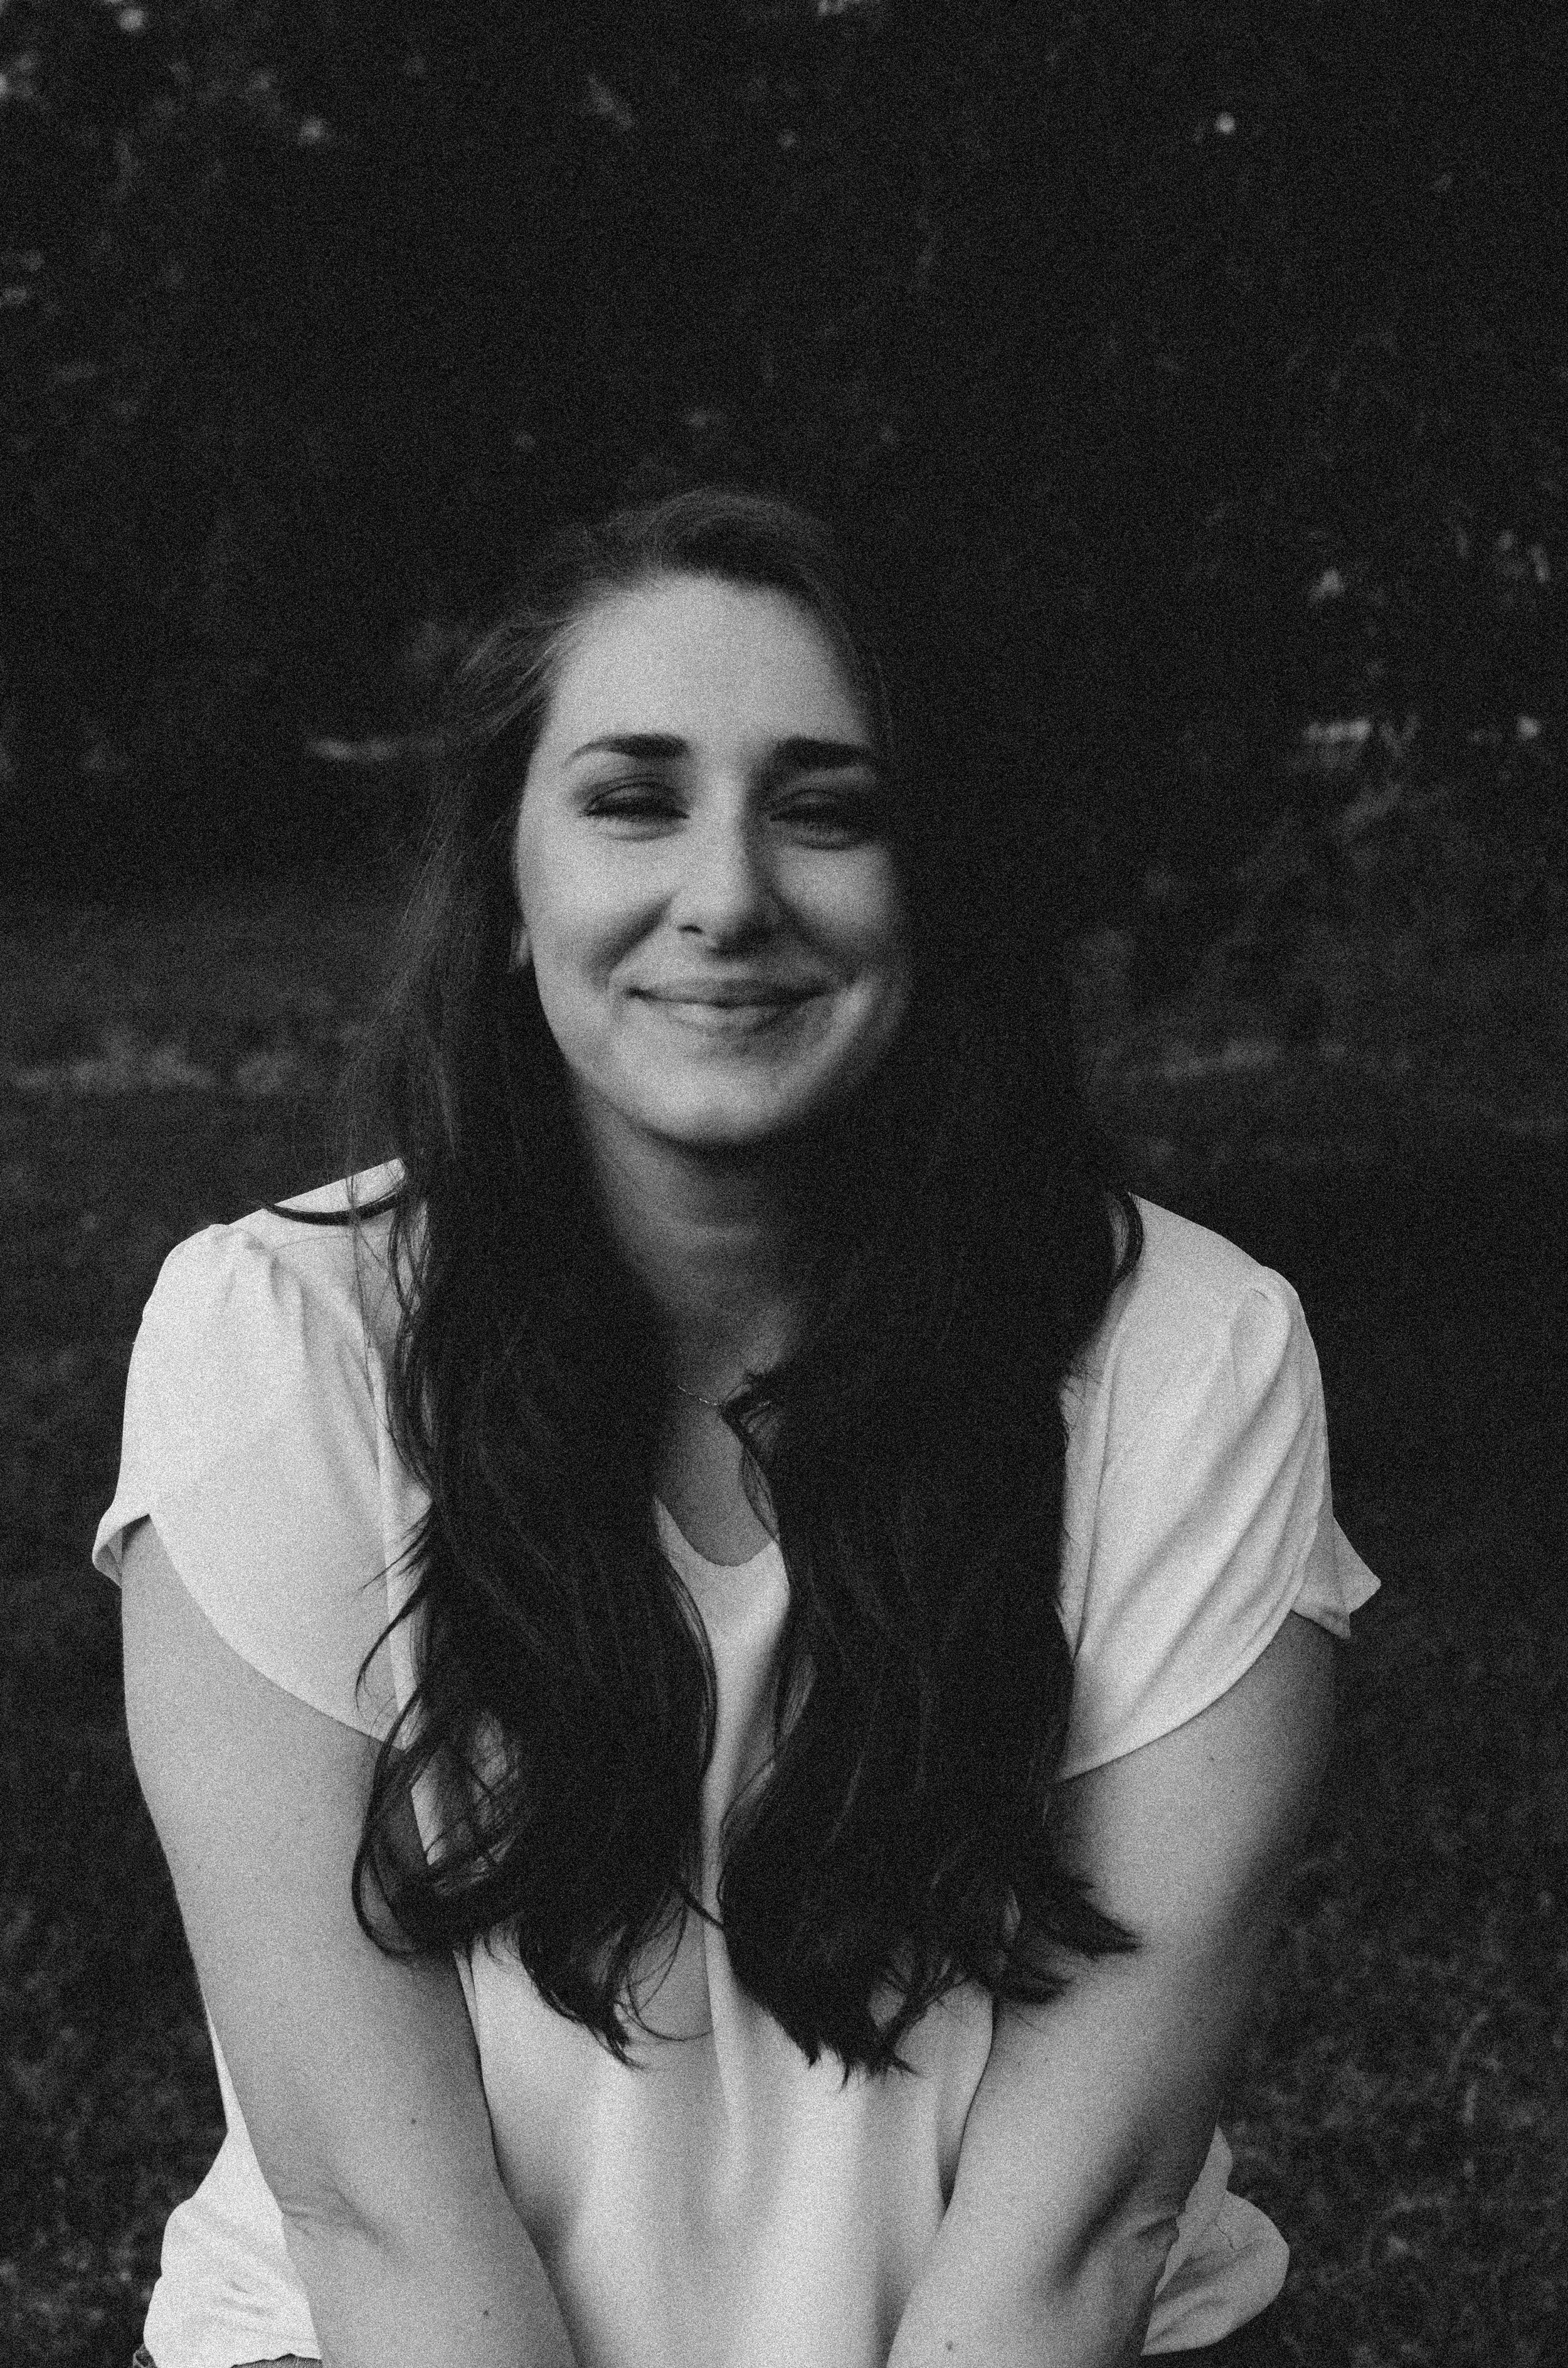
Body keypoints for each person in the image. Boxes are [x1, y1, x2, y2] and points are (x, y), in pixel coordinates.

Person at [97, 487, 1379, 2368]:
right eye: (630, 798)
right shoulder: (276, 1346)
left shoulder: (1191, 1357)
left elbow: (1071, 2243)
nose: (725, 894)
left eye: (826, 805)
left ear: (931, 874)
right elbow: (383, 2226)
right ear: (510, 875)